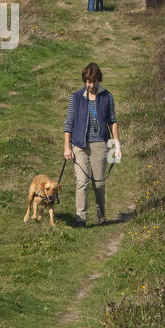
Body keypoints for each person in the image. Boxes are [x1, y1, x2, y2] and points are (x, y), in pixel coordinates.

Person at [63, 62, 120, 227]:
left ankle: (101, 215)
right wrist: (67, 147)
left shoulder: (107, 97)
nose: (91, 85)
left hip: (101, 144)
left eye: (94, 81)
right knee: (82, 182)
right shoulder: (76, 97)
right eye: (88, 82)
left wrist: (116, 145)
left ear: (98, 80)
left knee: (99, 184)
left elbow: (113, 121)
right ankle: (81, 219)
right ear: (84, 81)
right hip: (79, 145)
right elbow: (69, 124)